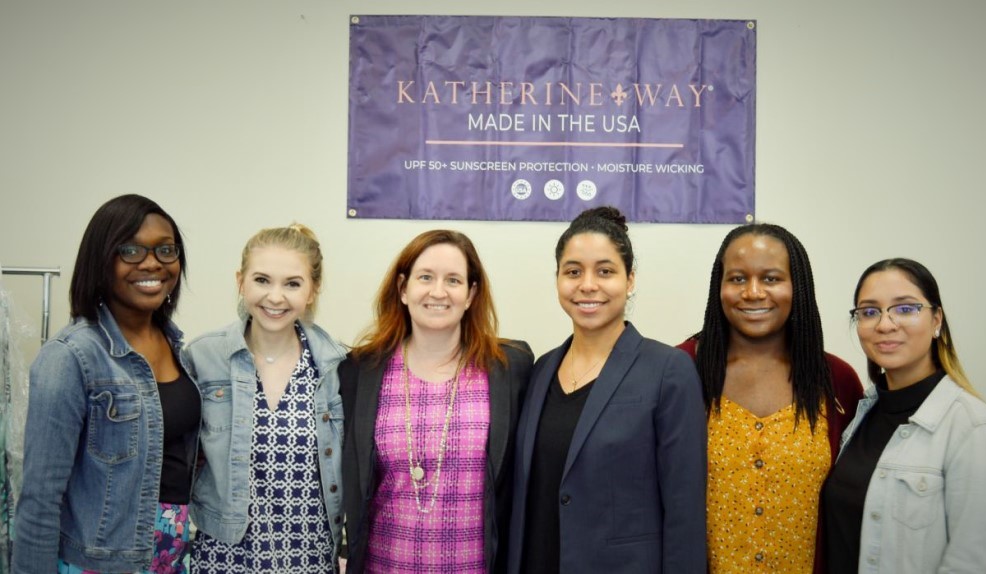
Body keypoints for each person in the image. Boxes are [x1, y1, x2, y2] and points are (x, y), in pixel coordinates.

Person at [507, 207, 706, 574]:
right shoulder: (539, 370)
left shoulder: (668, 370)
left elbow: (685, 511)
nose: (587, 285)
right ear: (557, 280)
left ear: (629, 280)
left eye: (605, 271)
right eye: (573, 272)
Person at [13, 194, 198, 573]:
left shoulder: (177, 345)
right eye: (130, 250)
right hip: (101, 564)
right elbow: (40, 499)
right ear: (101, 260)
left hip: (174, 557)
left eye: (166, 249)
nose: (152, 263)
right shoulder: (70, 357)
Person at [340, 229, 533, 574]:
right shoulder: (361, 370)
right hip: (384, 566)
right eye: (425, 277)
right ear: (403, 288)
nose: (438, 292)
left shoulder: (509, 367)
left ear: (471, 293)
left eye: (454, 280)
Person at [677, 223, 862, 573]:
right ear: (719, 287)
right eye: (737, 279)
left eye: (772, 278)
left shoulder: (837, 382)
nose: (753, 292)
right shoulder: (680, 371)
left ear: (798, 287)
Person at [822, 258, 986, 573]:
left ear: (936, 319)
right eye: (869, 312)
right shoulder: (862, 412)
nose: (885, 324)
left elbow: (974, 564)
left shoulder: (974, 428)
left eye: (905, 308)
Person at [183, 224, 345, 573]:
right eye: (262, 280)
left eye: (292, 284)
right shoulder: (202, 357)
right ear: (240, 281)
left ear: (312, 291)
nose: (275, 297)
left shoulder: (337, 368)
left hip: (310, 557)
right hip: (223, 557)